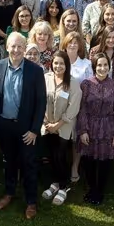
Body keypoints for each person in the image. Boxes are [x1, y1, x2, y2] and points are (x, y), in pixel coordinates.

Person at [0, 32, 48, 219]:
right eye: (12, 46)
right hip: (3, 125)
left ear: (24, 48)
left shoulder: (35, 70)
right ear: (7, 47)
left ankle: (31, 201)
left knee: (29, 164)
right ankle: (9, 192)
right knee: (8, 161)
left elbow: (41, 102)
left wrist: (34, 129)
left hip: (26, 129)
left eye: (19, 46)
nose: (16, 50)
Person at [77, 53, 114, 205]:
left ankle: (100, 191)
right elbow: (82, 108)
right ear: (94, 67)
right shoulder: (86, 84)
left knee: (105, 161)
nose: (102, 68)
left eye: (105, 65)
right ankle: (92, 188)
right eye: (99, 65)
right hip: (90, 126)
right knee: (89, 160)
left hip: (108, 126)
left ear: (109, 67)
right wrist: (83, 130)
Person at [40, 51, 82, 207]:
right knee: (51, 156)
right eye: (56, 63)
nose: (58, 66)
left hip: (64, 126)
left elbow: (73, 107)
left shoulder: (73, 83)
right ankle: (55, 182)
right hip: (47, 124)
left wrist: (57, 125)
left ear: (67, 65)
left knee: (60, 156)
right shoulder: (46, 78)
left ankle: (64, 187)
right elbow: (40, 100)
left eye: (62, 63)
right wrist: (46, 122)